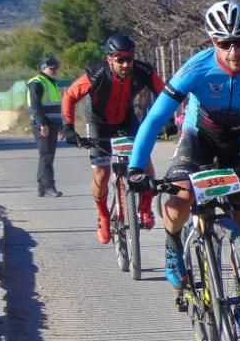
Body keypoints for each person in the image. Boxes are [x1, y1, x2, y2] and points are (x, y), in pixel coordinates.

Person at [127, 0, 240, 332]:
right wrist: (135, 165)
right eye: (223, 43)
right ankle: (174, 246)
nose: (233, 51)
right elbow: (156, 117)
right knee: (179, 199)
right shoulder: (196, 67)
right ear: (212, 41)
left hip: (238, 143)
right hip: (198, 138)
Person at [61, 34, 167, 243]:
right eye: (120, 60)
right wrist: (69, 128)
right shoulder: (96, 74)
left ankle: (145, 209)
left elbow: (164, 93)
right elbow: (70, 96)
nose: (126, 64)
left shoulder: (143, 71)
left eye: (130, 58)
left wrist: (168, 119)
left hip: (126, 120)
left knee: (145, 164)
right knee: (101, 174)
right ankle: (103, 216)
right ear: (109, 59)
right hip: (98, 123)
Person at [27, 56, 64, 198]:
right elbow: (35, 106)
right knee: (46, 155)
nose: (54, 71)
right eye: (51, 68)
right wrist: (42, 123)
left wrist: (61, 126)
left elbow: (56, 107)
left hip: (53, 123)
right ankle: (49, 186)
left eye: (56, 68)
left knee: (47, 155)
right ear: (43, 68)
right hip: (43, 124)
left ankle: (42, 186)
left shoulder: (51, 83)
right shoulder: (37, 83)